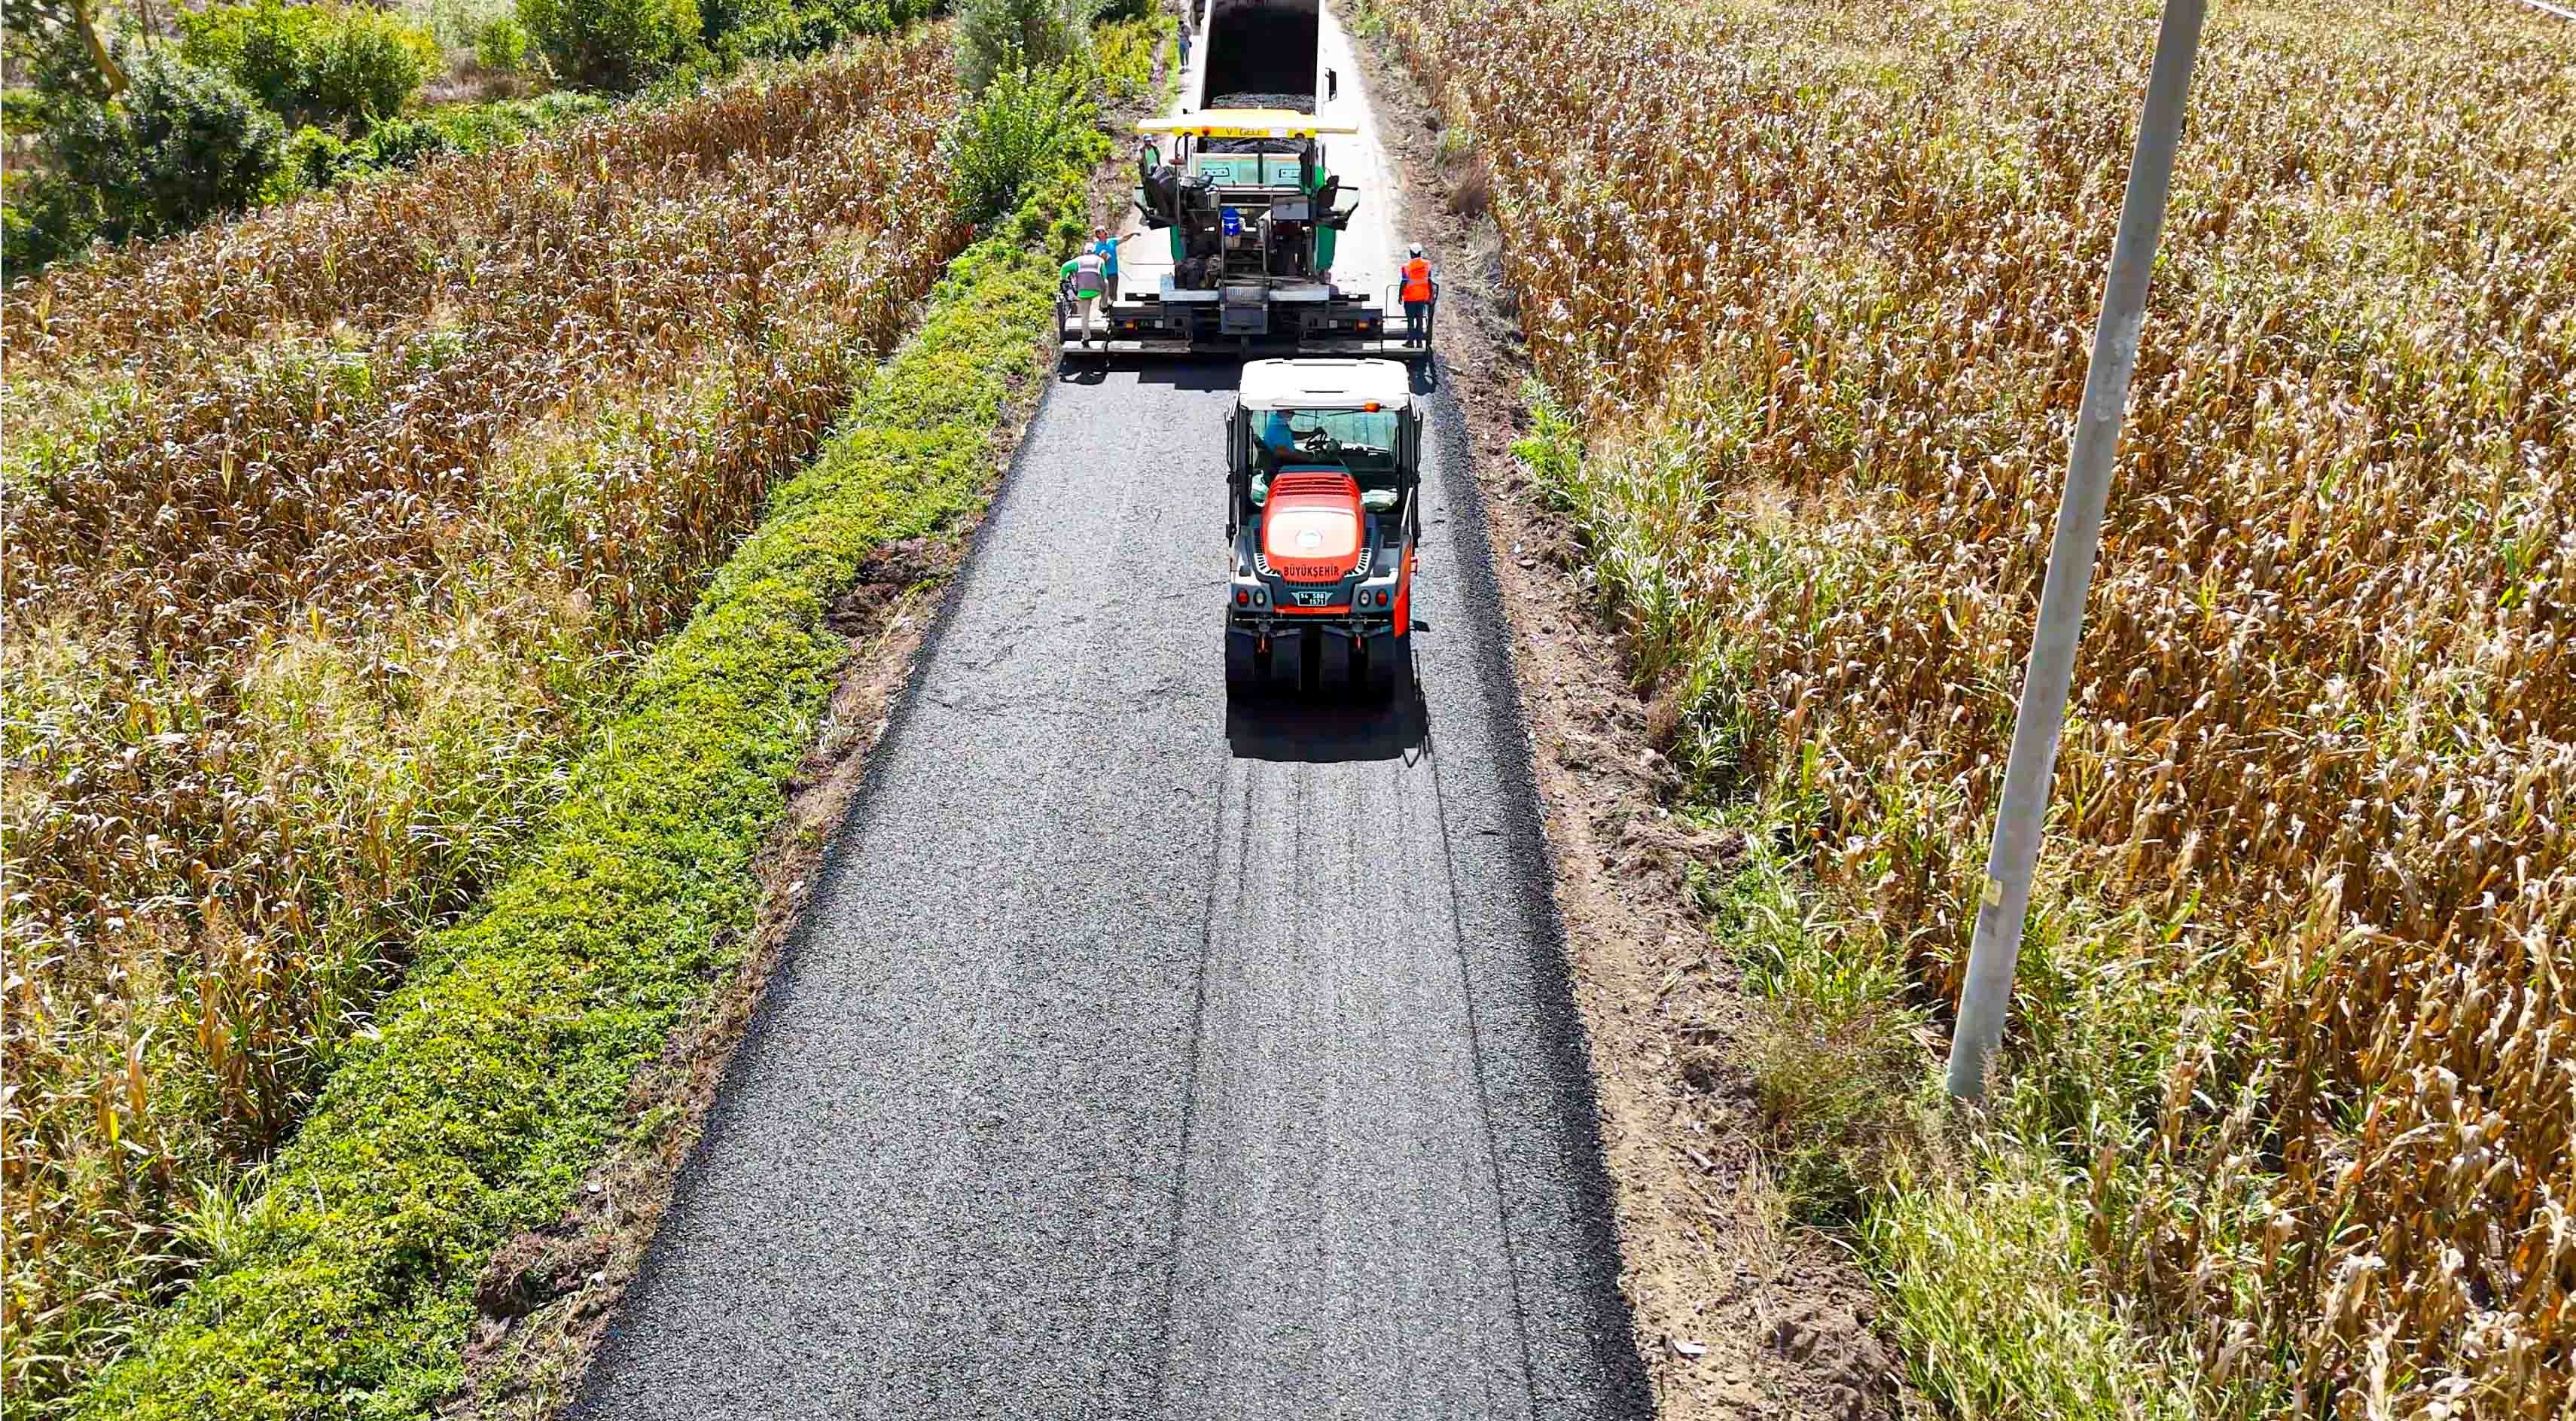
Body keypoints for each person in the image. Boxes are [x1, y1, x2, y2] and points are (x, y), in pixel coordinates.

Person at [1069, 248, 1108, 345]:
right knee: (1106, 283)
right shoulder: (1100, 260)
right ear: (1095, 253)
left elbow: (1064, 268)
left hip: (1082, 292)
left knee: (1085, 315)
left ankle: (1086, 338)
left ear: (1083, 253)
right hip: (1096, 291)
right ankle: (1103, 305)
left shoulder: (1077, 260)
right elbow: (1104, 275)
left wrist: (1063, 280)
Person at [1399, 243, 1434, 348]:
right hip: (1422, 298)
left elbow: (1404, 282)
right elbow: (1429, 281)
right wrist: (1431, 295)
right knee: (1419, 320)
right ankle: (1419, 342)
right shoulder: (1427, 265)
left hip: (1410, 298)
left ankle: (1410, 342)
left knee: (1410, 320)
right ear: (1420, 252)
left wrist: (1400, 294)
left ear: (1411, 253)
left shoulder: (1406, 267)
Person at [1090, 225, 1133, 300]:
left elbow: (1124, 238)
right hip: (1103, 275)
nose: (1104, 232)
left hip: (1113, 272)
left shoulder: (1112, 241)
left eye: (1104, 230)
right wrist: (1103, 258)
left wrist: (1133, 233)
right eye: (1102, 231)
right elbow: (1092, 261)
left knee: (1113, 294)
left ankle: (1114, 310)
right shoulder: (1096, 247)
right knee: (1105, 294)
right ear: (1098, 235)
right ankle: (1104, 308)